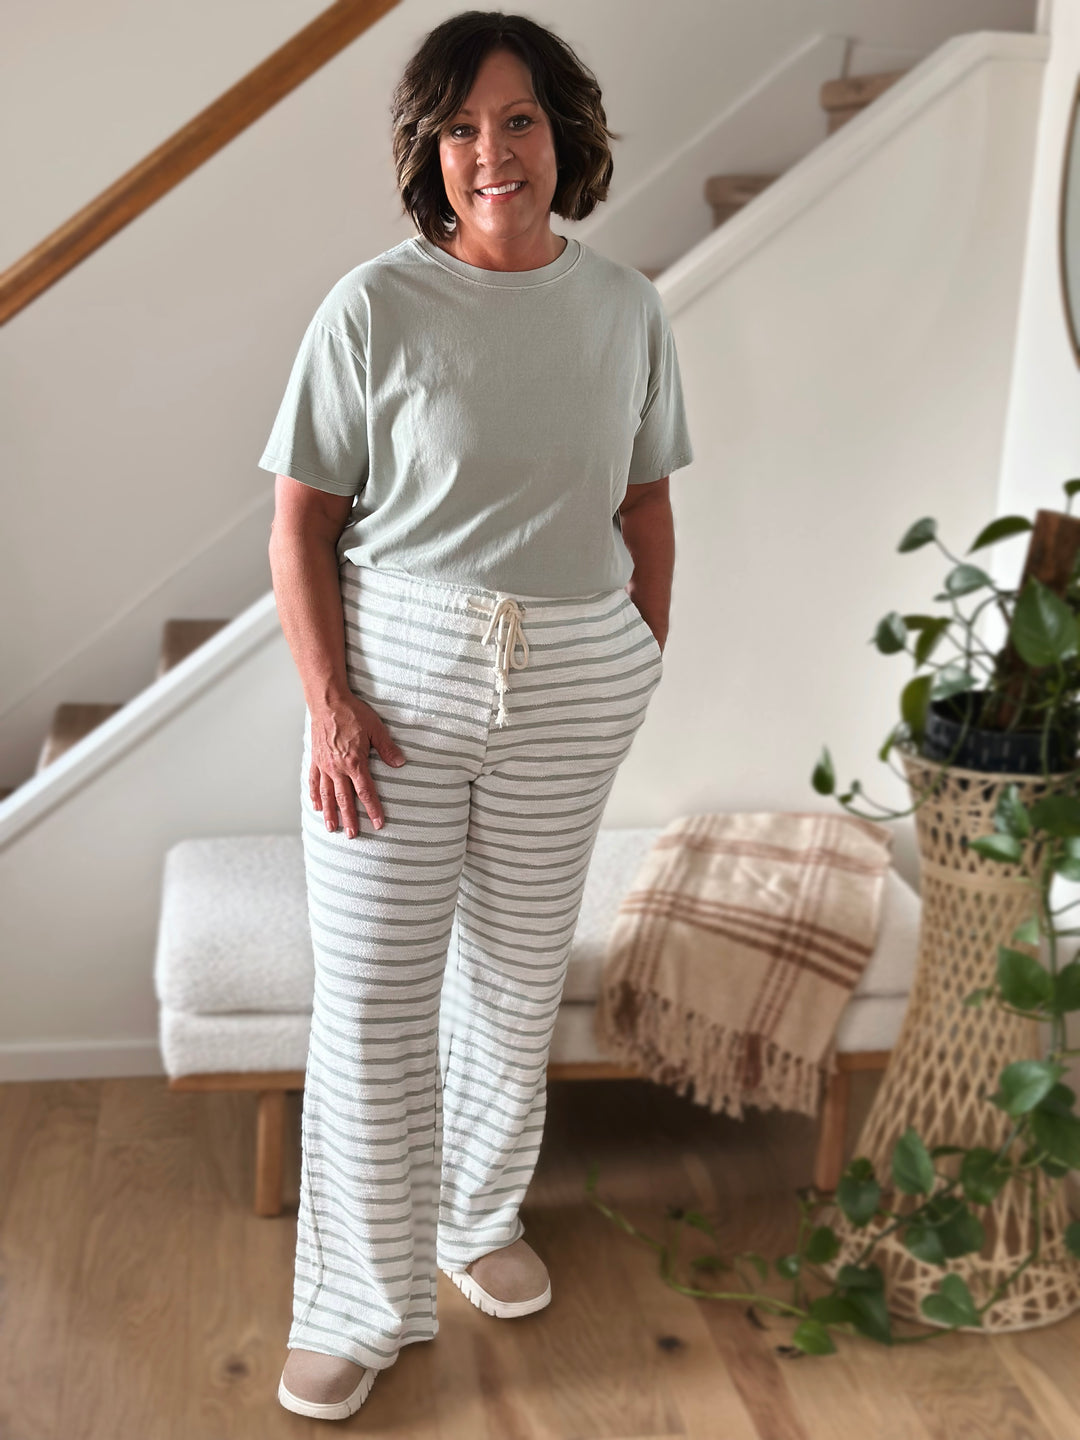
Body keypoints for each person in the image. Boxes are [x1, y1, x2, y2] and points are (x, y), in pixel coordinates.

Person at [259, 9, 694, 1422]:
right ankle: (357, 1304)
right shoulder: (372, 306)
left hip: (572, 682)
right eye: (460, 127)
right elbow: (299, 527)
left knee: (514, 981)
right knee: (378, 1000)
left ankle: (476, 1221)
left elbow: (646, 506)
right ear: (427, 152)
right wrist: (329, 705)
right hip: (393, 689)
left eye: (518, 121)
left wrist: (637, 658)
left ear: (566, 135)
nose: (492, 152)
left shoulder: (626, 305)